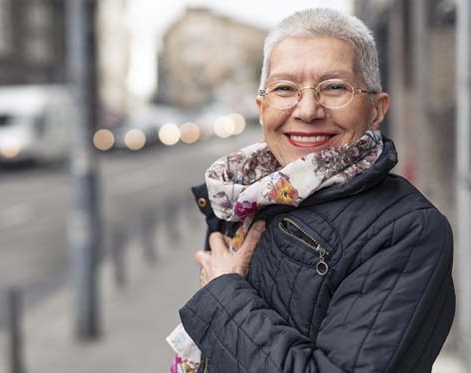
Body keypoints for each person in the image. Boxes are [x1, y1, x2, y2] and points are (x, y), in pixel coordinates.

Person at [167, 7, 455, 373]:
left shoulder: (408, 231)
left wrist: (222, 294)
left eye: (335, 87)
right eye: (285, 88)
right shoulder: (245, 195)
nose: (306, 109)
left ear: (376, 110)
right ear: (262, 106)